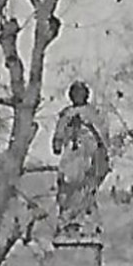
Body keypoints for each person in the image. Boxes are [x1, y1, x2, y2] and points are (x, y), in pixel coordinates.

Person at [52, 81, 111, 235]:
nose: (78, 96)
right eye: (75, 93)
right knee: (66, 186)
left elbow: (102, 138)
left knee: (85, 188)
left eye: (81, 93)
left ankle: (83, 222)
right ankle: (67, 222)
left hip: (88, 156)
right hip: (71, 157)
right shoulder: (65, 114)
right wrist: (63, 134)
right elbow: (57, 142)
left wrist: (88, 125)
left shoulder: (93, 113)